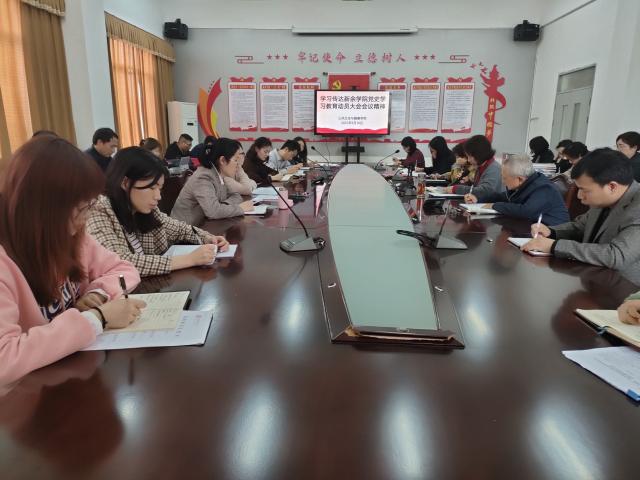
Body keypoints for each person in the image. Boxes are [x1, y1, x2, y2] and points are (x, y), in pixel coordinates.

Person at [0, 135, 143, 385]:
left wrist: (98, 294)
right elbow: (4, 359)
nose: (85, 219)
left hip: (69, 374)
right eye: (81, 209)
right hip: (26, 395)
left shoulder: (72, 236)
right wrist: (98, 318)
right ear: (43, 209)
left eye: (89, 206)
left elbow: (124, 269)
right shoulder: (6, 261)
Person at [87, 147, 229, 277]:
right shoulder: (98, 210)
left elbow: (180, 229)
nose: (158, 196)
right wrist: (189, 259)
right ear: (125, 183)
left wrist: (208, 238)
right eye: (151, 188)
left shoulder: (145, 209)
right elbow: (120, 263)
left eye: (159, 188)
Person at [523, 148, 640, 284]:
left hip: (625, 288)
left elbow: (616, 256)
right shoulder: (604, 199)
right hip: (592, 278)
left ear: (612, 187)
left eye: (584, 190)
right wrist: (551, 232)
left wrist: (555, 246)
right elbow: (580, 227)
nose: (579, 196)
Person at [466, 154, 569, 225]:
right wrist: (478, 199)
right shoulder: (525, 183)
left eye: (505, 178)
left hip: (551, 233)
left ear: (520, 179)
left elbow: (525, 211)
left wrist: (494, 205)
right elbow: (502, 196)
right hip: (531, 227)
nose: (503, 182)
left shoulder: (543, 188)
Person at [171, 138, 255, 224]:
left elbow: (236, 196)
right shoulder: (203, 177)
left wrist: (222, 206)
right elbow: (213, 211)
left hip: (205, 224)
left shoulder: (220, 174)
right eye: (236, 160)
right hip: (184, 228)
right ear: (222, 160)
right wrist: (240, 208)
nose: (239, 165)